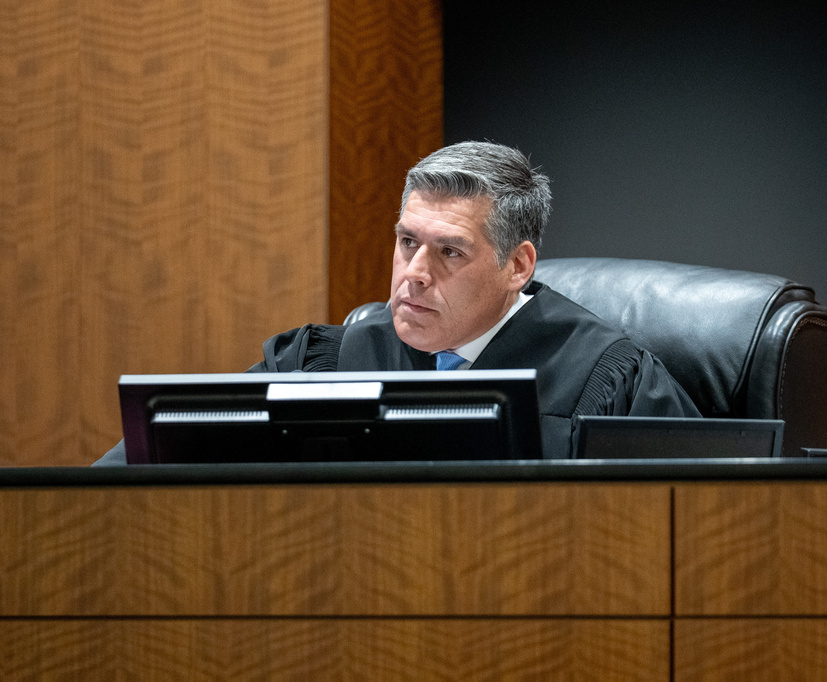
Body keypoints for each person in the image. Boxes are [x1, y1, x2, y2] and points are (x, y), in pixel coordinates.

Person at [95, 141, 698, 465]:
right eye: (407, 242)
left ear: (516, 266)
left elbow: (689, 523)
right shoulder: (328, 362)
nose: (413, 274)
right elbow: (157, 457)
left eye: (449, 253)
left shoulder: (605, 378)